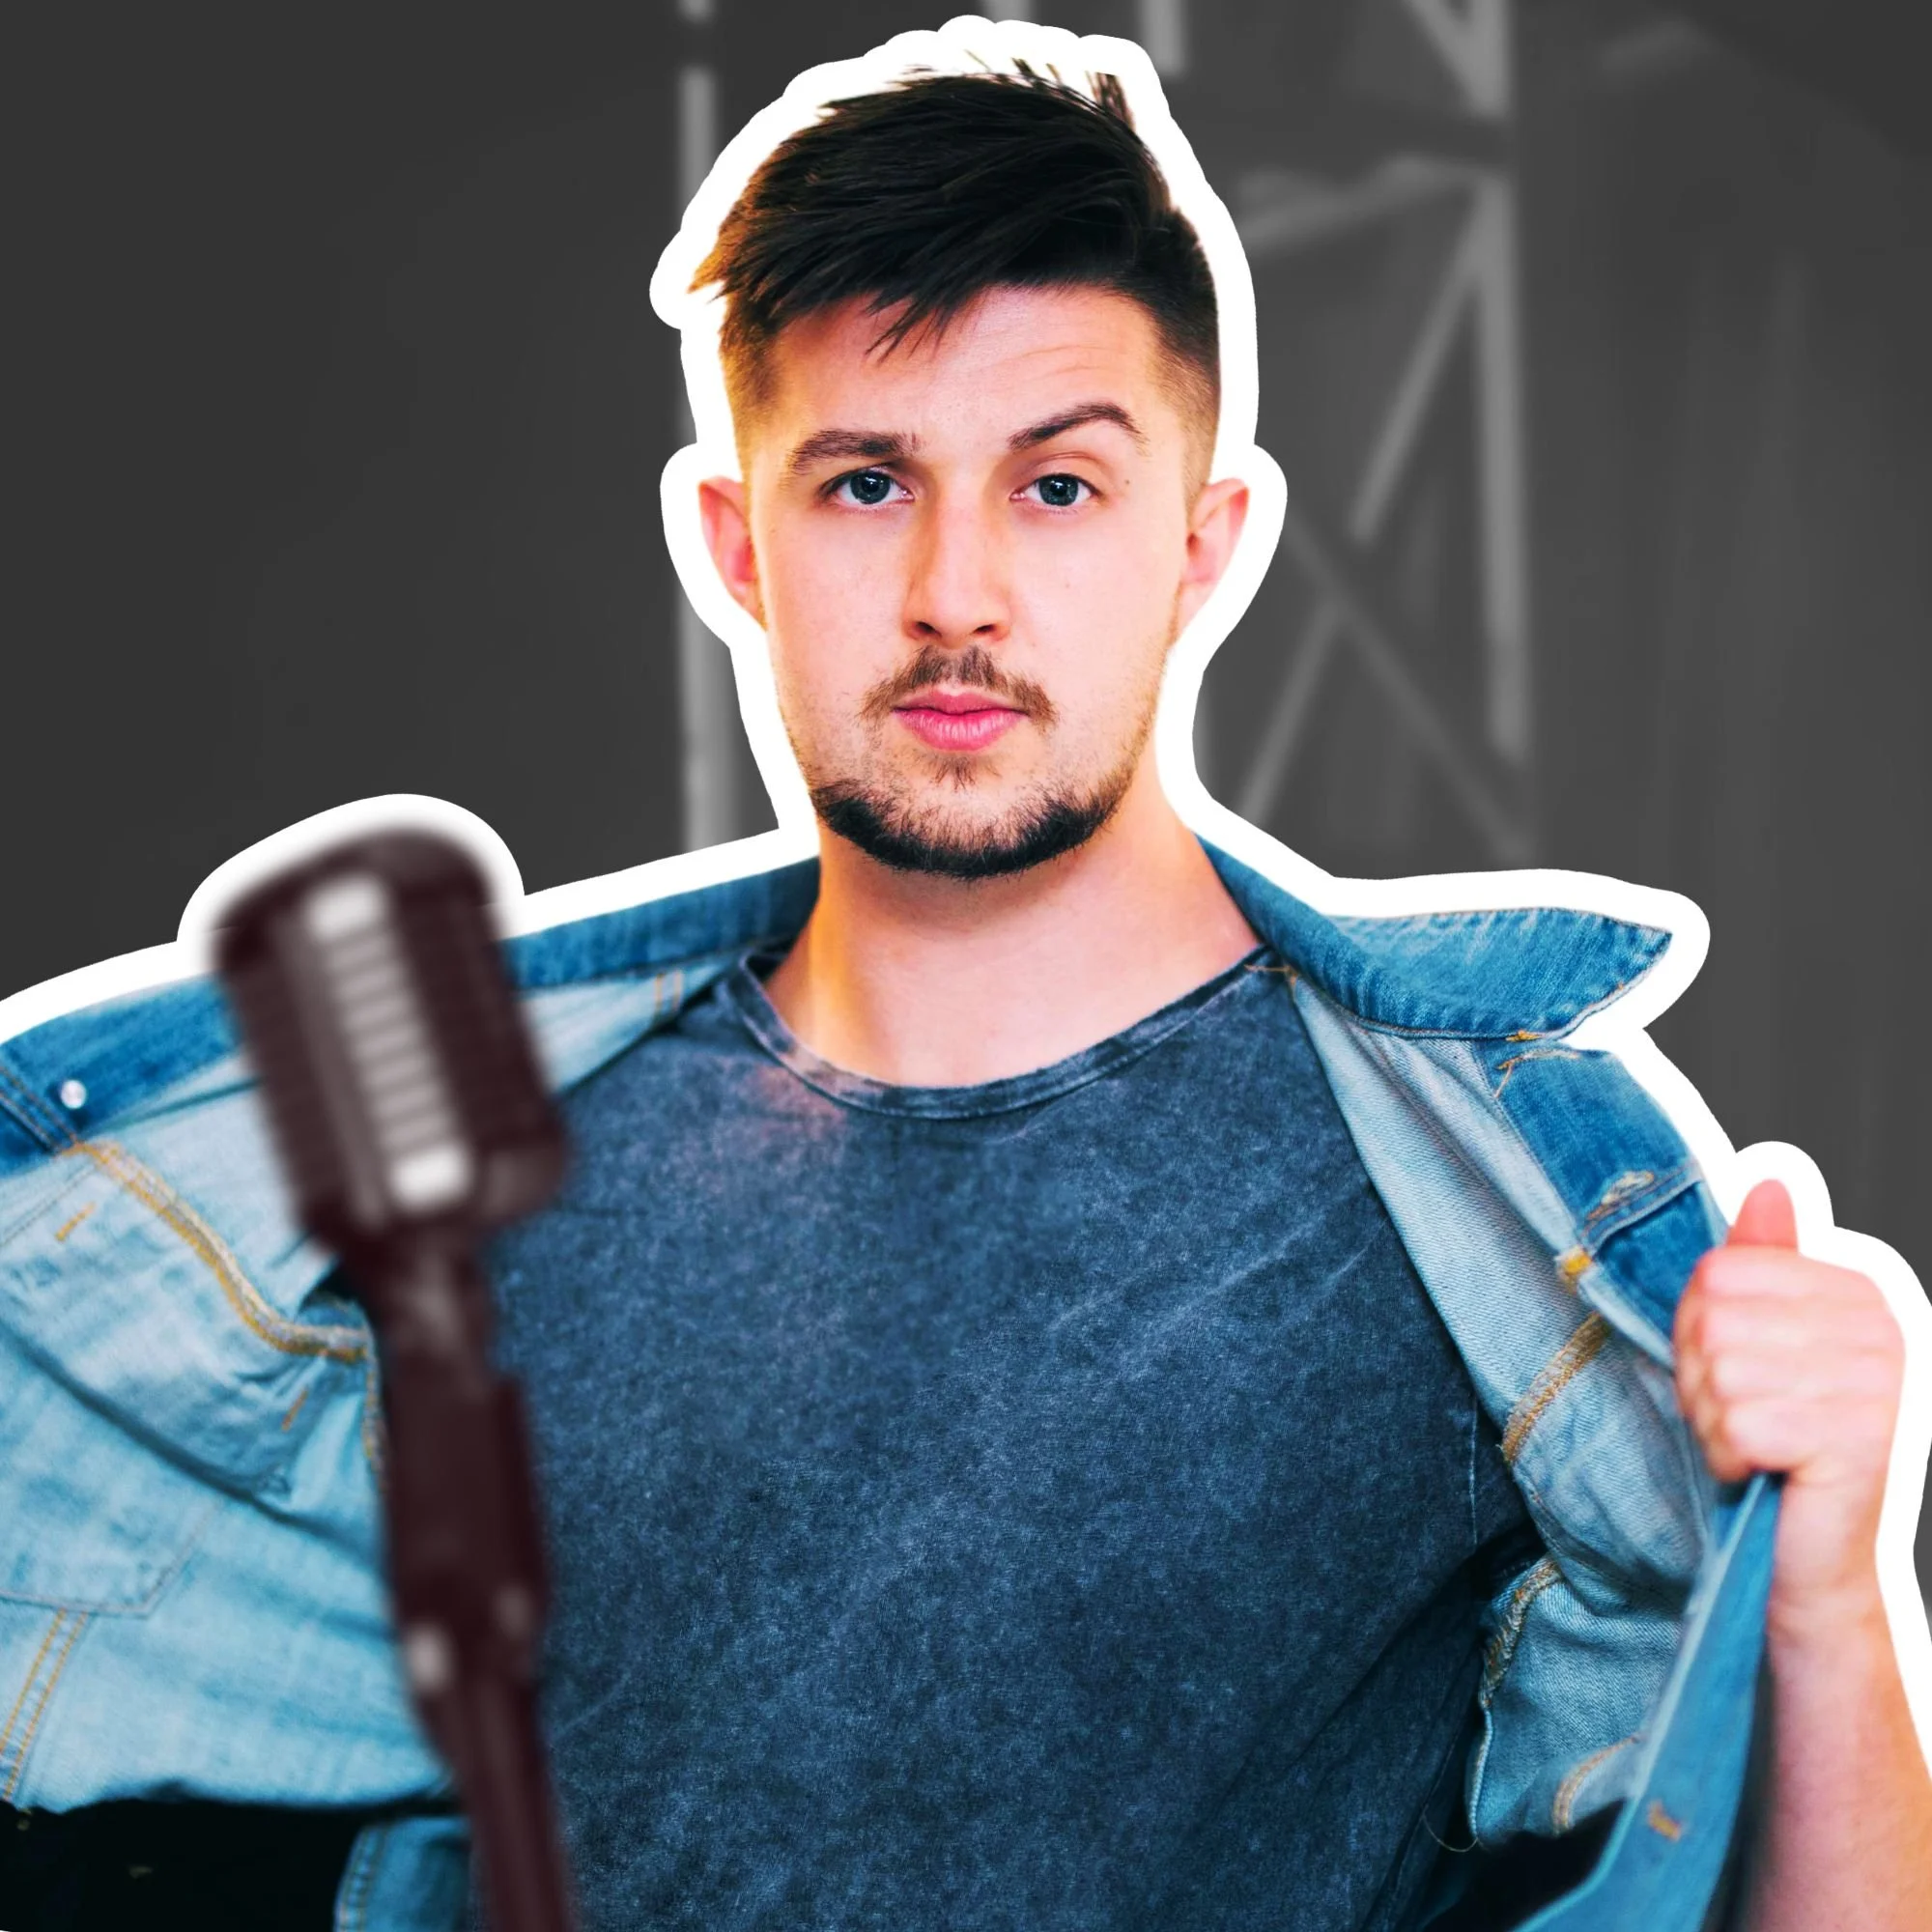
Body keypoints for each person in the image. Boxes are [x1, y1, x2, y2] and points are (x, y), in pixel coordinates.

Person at [0, 28, 1927, 1932]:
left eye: (1057, 486)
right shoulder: (485, 1186)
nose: (953, 590)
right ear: (733, 544)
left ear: (1205, 541)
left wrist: (1828, 1573)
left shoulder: (1474, 1208)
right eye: (863, 484)